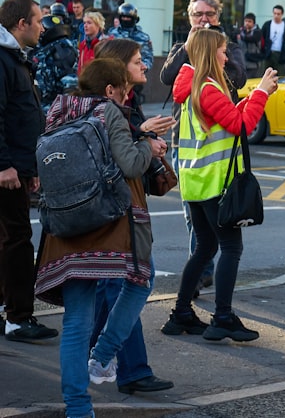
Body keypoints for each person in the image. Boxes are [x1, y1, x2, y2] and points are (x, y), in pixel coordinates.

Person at [34, 58, 166, 418]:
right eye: (124, 87)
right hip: (104, 225)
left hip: (62, 228)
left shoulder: (57, 110)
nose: (128, 93)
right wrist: (148, 147)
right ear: (110, 90)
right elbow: (130, 165)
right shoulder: (110, 112)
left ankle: (78, 408)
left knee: (76, 322)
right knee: (139, 283)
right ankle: (105, 354)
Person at [160, 29, 278, 342]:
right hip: (213, 183)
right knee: (230, 248)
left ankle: (181, 313)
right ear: (211, 53)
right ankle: (222, 317)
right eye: (223, 51)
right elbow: (241, 126)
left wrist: (255, 96)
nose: (226, 57)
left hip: (196, 183)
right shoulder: (208, 88)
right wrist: (262, 93)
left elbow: (229, 119)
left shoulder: (193, 87)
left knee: (205, 248)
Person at [89, 39, 177, 394]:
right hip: (114, 210)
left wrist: (147, 140)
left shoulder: (127, 103)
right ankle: (120, 365)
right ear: (118, 67)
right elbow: (122, 159)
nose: (145, 65)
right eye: (139, 61)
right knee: (135, 280)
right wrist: (145, 139)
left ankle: (100, 361)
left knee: (110, 287)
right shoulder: (109, 107)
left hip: (122, 207)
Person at [161, 0, 248, 293]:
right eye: (198, 15)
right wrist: (189, 48)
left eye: (209, 15)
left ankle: (200, 275)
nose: (203, 20)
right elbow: (167, 77)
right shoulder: (181, 47)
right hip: (186, 143)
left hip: (219, 146)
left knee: (218, 221)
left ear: (218, 17)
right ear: (189, 18)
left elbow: (237, 77)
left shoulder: (228, 48)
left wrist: (213, 53)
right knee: (193, 216)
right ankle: (200, 272)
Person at [0, 0, 59, 343]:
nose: (42, 27)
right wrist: (5, 165)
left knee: (9, 240)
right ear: (21, 23)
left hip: (16, 166)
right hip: (6, 169)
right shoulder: (5, 60)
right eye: (38, 20)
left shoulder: (15, 59)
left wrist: (27, 166)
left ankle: (11, 310)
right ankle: (19, 318)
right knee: (18, 241)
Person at [108, 3, 154, 105]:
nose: (125, 19)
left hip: (134, 81)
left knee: (133, 108)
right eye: (123, 17)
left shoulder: (143, 37)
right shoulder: (112, 34)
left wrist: (139, 70)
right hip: (115, 78)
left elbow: (148, 58)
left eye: (128, 18)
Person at [33, 12, 79, 111]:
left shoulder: (62, 49)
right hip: (43, 105)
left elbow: (70, 81)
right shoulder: (48, 48)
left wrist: (62, 111)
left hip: (53, 108)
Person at [78, 10, 111, 75]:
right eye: (84, 23)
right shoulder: (83, 45)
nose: (85, 25)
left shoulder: (106, 44)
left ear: (98, 25)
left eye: (89, 23)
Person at [261, 5, 285, 76]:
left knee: (280, 76)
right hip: (269, 53)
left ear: (282, 14)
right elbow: (262, 38)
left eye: (278, 14)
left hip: (280, 55)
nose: (276, 16)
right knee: (266, 75)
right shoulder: (267, 25)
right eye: (274, 13)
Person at [235, 12, 264, 77]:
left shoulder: (257, 32)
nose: (247, 23)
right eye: (246, 21)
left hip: (253, 64)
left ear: (254, 23)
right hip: (242, 63)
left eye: (249, 21)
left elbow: (252, 39)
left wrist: (242, 37)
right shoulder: (241, 31)